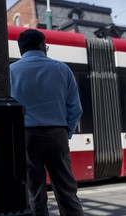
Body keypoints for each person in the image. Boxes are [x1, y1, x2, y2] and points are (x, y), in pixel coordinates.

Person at [10, 29, 84, 216]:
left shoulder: (11, 71)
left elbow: (7, 110)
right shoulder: (62, 68)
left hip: (26, 136)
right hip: (56, 133)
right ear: (42, 46)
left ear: (21, 49)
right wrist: (64, 133)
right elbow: (75, 108)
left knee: (34, 192)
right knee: (66, 190)